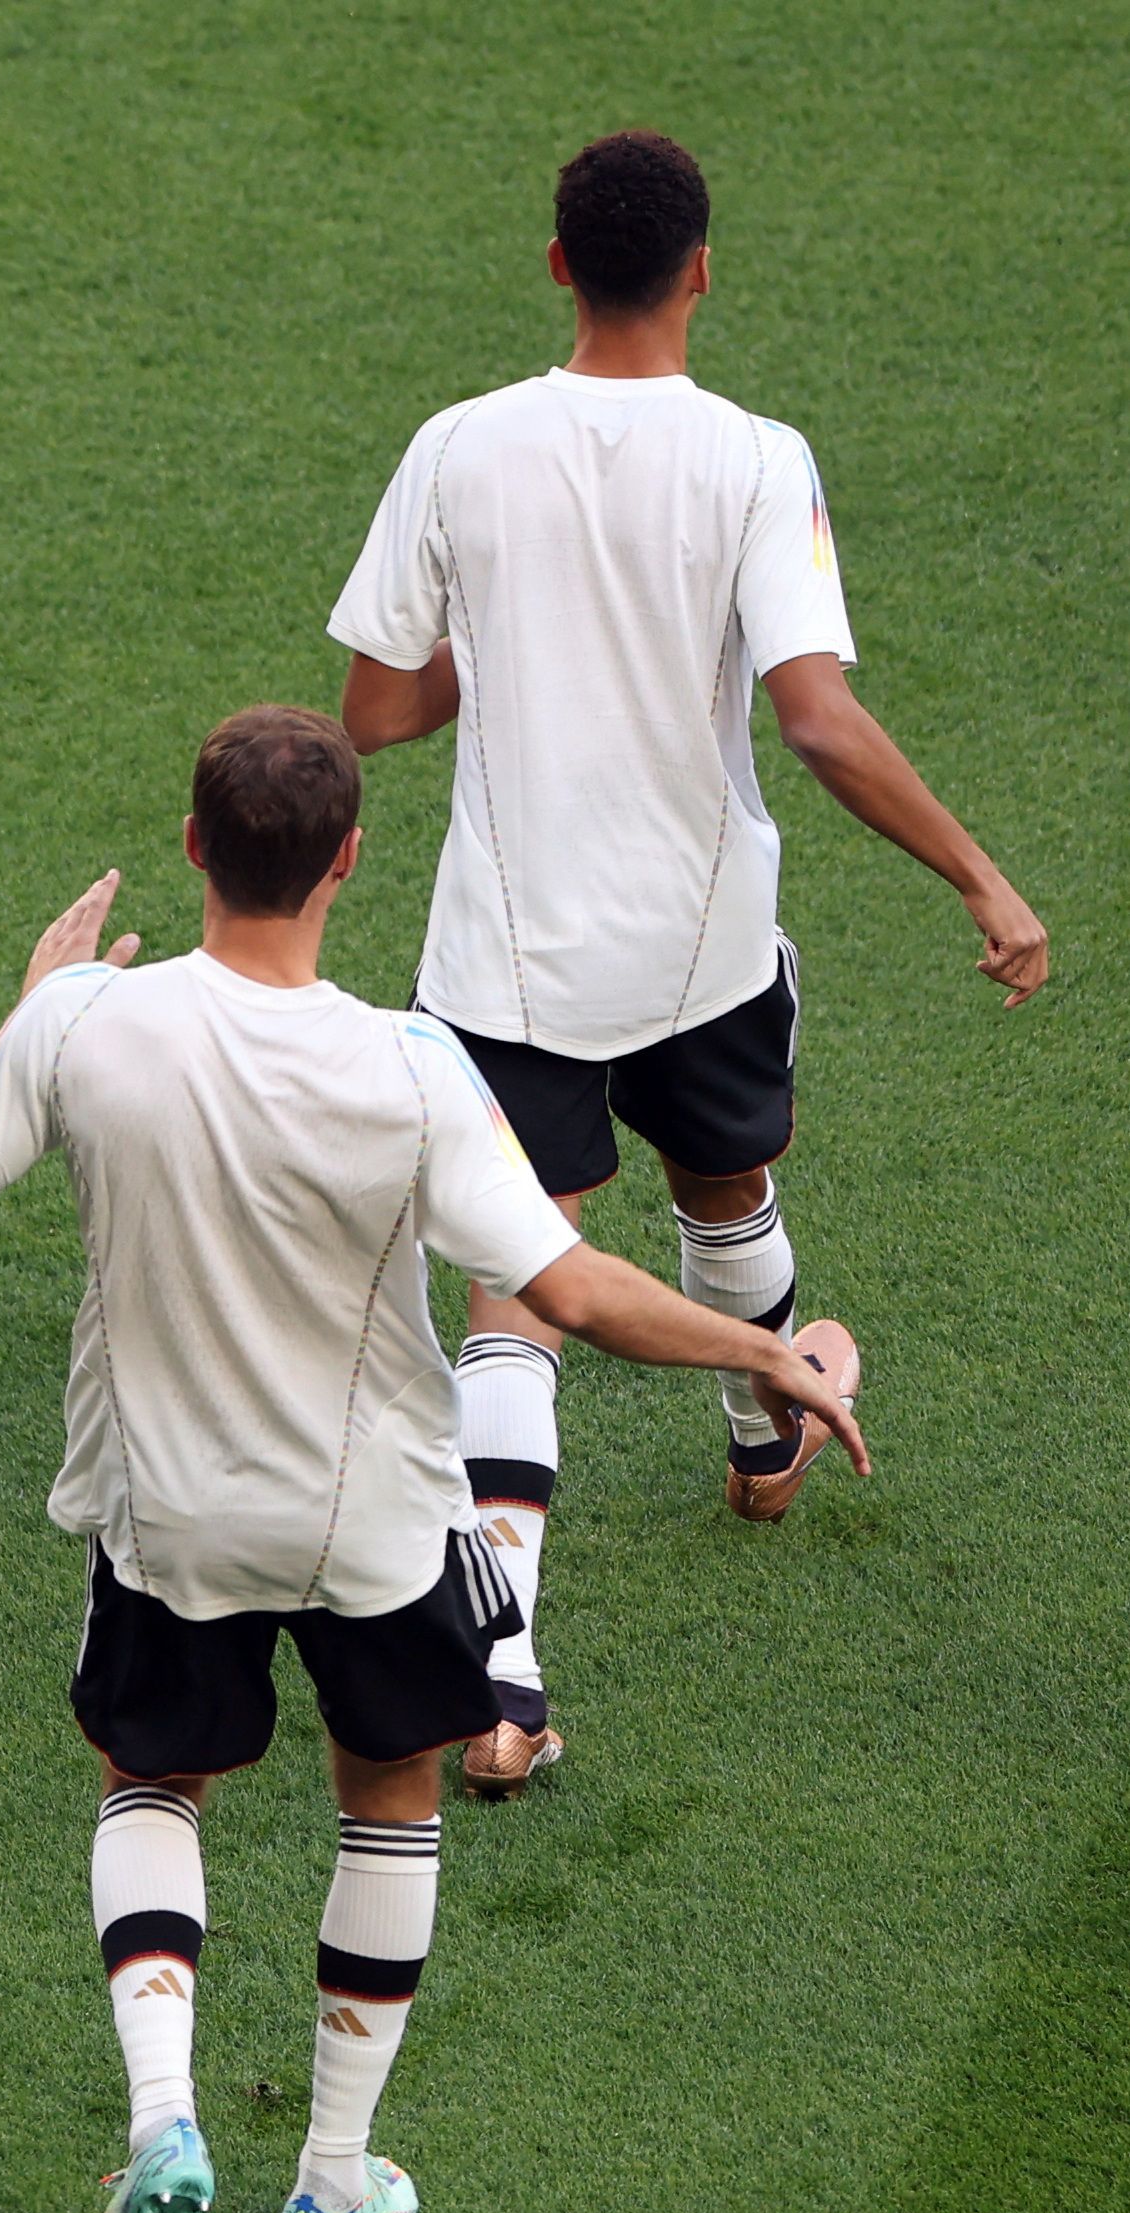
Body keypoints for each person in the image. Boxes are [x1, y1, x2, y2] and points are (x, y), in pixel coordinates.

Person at [0, 708, 864, 2213]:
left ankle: (160, 2120)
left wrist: (27, 1007)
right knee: (389, 1796)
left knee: (152, 1779)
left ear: (194, 845)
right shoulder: (410, 1069)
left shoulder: (85, 1027)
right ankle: (331, 2179)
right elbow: (573, 1290)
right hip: (377, 1527)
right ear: (345, 859)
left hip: (168, 1516)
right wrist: (766, 1353)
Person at [330, 127, 1046, 1795]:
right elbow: (815, 718)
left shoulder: (458, 446)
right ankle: (763, 1424)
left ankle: (498, 1683)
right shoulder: (753, 458)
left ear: (558, 266)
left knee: (518, 1287)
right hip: (702, 945)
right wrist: (978, 877)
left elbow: (370, 712)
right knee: (725, 1199)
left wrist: (485, 664)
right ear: (702, 270)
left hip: (504, 963)